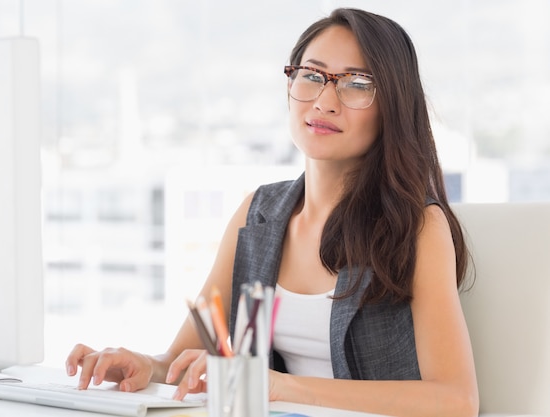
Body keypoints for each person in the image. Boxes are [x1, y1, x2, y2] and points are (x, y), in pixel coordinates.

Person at [66, 7, 479, 417]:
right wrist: (145, 366)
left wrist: (281, 388)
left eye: (357, 83)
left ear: (393, 105)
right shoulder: (257, 215)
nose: (325, 100)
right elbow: (187, 354)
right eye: (313, 76)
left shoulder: (418, 226)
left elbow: (456, 400)